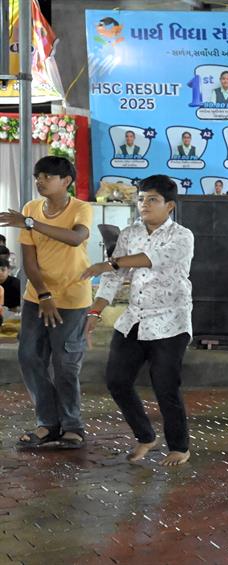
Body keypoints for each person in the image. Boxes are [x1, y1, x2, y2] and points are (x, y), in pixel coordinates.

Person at [82, 175, 195, 466]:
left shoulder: (182, 236)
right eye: (141, 199)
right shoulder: (129, 233)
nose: (144, 204)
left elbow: (150, 258)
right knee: (117, 381)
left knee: (165, 386)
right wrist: (95, 311)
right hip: (135, 319)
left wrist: (110, 262)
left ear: (170, 206)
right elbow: (113, 277)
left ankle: (179, 447)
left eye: (153, 199)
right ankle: (145, 436)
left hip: (171, 321)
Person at [0, 156, 92, 449]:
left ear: (66, 181)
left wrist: (30, 223)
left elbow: (75, 238)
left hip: (72, 299)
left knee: (65, 364)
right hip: (37, 297)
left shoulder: (81, 208)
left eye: (47, 177)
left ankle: (72, 426)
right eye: (37, 176)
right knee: (29, 357)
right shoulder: (31, 208)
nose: (40, 181)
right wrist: (43, 294)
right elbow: (29, 259)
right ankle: (48, 423)